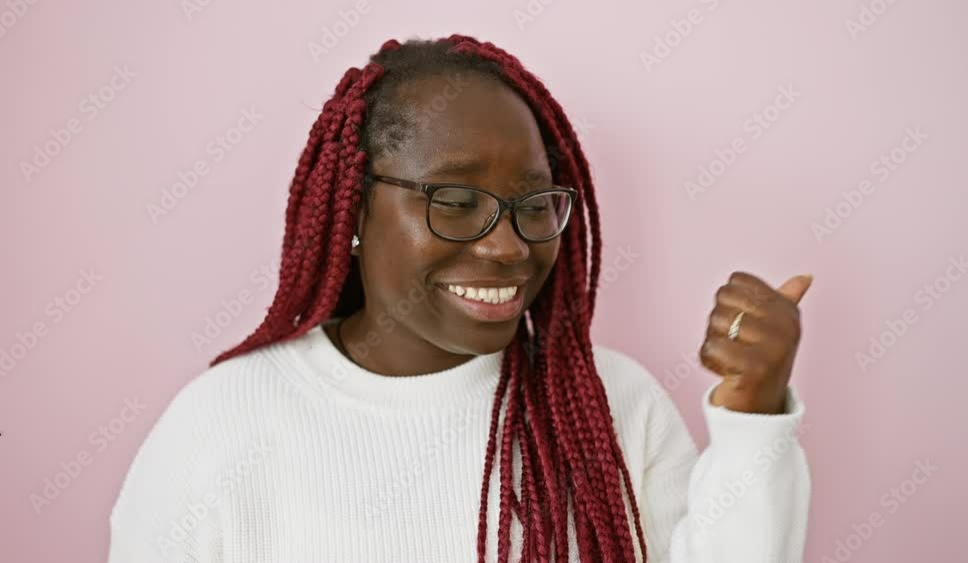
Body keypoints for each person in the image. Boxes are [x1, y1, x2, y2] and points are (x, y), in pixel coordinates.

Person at [107, 35, 813, 563]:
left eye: (533, 204)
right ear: (354, 211)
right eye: (456, 199)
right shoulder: (222, 423)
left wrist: (753, 412)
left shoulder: (612, 404)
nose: (508, 246)